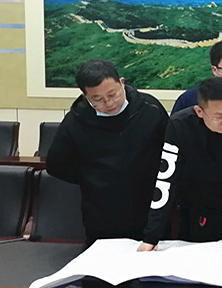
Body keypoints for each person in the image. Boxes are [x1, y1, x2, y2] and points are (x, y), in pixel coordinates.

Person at [138, 77, 222, 257]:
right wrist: (151, 237)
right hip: (198, 210)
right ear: (199, 111)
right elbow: (166, 180)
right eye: (218, 116)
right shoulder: (180, 125)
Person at [46, 60, 169, 243]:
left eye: (113, 94)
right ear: (85, 95)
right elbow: (56, 165)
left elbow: (170, 152)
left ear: (122, 82)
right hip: (102, 218)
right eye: (98, 99)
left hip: (151, 213)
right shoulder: (75, 121)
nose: (109, 103)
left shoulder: (149, 108)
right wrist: (92, 178)